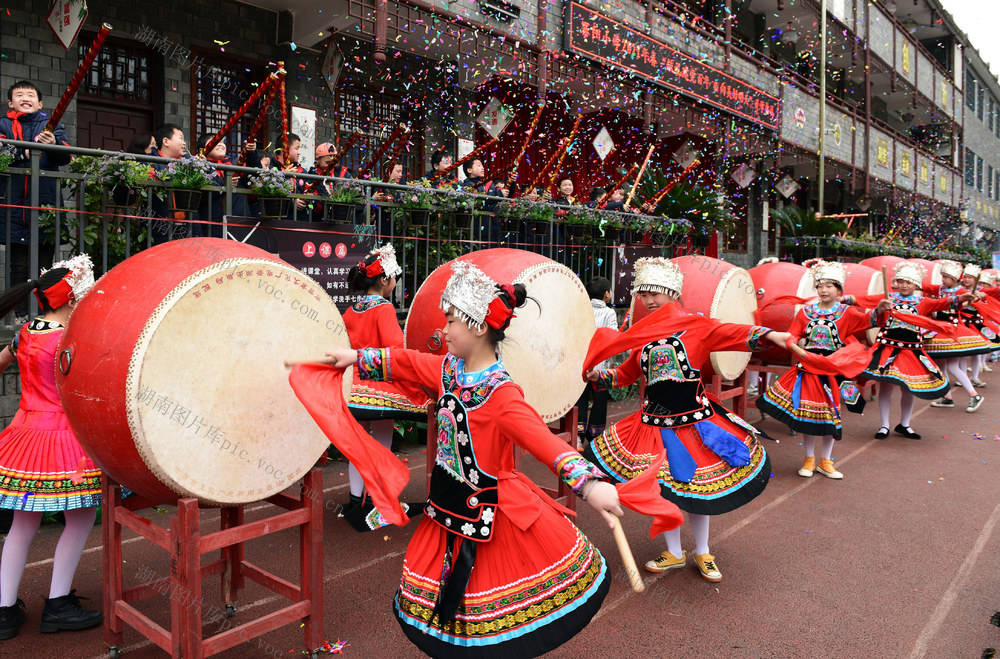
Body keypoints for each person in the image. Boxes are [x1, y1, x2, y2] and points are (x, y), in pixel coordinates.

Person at [317, 260, 680, 657]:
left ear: (476, 325)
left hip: (490, 514)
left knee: (492, 621)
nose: (444, 330)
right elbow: (406, 362)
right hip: (447, 511)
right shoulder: (448, 370)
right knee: (456, 619)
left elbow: (542, 440)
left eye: (451, 320)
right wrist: (354, 359)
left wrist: (590, 485)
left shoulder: (501, 393)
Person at [583, 257, 792, 582]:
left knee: (697, 493)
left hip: (694, 424)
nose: (649, 301)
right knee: (666, 491)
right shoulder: (642, 337)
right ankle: (675, 552)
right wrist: (600, 375)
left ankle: (703, 550)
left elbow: (731, 332)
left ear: (673, 292)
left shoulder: (696, 326)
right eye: (644, 294)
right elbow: (624, 375)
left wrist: (769, 334)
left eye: (656, 294)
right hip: (652, 427)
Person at [0, 255, 102, 640]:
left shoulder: (25, 331)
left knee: (22, 524)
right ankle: (58, 604)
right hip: (65, 438)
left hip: (23, 434)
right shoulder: (72, 339)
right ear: (72, 297)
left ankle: (5, 611)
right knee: (80, 517)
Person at [756, 261, 890, 477]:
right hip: (809, 367)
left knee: (830, 417)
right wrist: (793, 344)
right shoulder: (806, 312)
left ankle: (826, 461)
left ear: (839, 290)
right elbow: (793, 334)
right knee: (809, 416)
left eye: (829, 286)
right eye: (820, 286)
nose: (824, 290)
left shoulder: (847, 312)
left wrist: (881, 309)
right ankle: (809, 460)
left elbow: (870, 320)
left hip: (833, 369)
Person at [340, 245, 429, 532]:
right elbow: (394, 352)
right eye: (394, 279)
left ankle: (356, 502)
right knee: (381, 442)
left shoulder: (351, 310)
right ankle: (381, 502)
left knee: (357, 447)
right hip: (380, 384)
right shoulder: (385, 308)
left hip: (353, 385)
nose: (395, 284)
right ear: (383, 281)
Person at [862, 261, 979, 435]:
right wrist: (878, 308)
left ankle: (905, 424)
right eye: (900, 281)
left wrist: (961, 298)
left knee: (908, 389)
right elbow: (865, 301)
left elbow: (943, 303)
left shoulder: (922, 301)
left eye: (908, 282)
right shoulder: (889, 299)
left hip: (911, 352)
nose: (903, 285)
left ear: (916, 285)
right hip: (887, 348)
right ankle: (884, 425)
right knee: (885, 388)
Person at [0, 81, 70, 320]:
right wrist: (25, 152)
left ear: (40, 103)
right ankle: (19, 317)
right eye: (19, 95)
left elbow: (66, 157)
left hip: (46, 206)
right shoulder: (3, 124)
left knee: (44, 267)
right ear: (10, 103)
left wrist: (53, 145)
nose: (25, 98)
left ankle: (42, 316)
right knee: (17, 266)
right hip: (14, 207)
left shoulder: (52, 126)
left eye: (30, 95)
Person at [923, 260, 989, 412]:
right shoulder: (940, 289)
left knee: (952, 366)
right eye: (943, 276)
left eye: (946, 277)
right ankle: (947, 397)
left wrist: (977, 296)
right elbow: (924, 286)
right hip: (939, 330)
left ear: (954, 279)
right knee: (941, 366)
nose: (943, 279)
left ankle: (974, 394)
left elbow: (976, 297)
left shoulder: (960, 291)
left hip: (952, 332)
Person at [575, 277, 618, 449]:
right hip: (600, 365)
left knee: (581, 400)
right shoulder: (609, 313)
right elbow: (612, 337)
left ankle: (577, 437)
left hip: (581, 364)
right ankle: (595, 437)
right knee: (600, 401)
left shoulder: (582, 310)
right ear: (606, 294)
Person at [194, 134, 259, 236]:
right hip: (212, 224)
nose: (220, 144)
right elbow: (199, 195)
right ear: (202, 150)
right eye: (215, 142)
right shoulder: (196, 168)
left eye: (222, 142)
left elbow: (254, 175)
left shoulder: (235, 163)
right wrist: (224, 184)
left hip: (239, 222)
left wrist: (251, 153)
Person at [149, 122, 191, 244]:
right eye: (181, 138)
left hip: (187, 226)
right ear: (166, 141)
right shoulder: (149, 161)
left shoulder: (188, 163)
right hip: (160, 225)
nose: (184, 143)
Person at [957, 264, 998, 388]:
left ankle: (975, 377)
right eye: (965, 277)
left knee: (975, 352)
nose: (966, 280)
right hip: (962, 324)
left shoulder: (981, 290)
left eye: (970, 277)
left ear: (975, 279)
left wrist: (983, 297)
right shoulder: (959, 290)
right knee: (963, 353)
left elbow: (993, 292)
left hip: (976, 325)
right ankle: (963, 377)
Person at [271, 133, 308, 219]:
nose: (299, 153)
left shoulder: (302, 171)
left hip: (300, 220)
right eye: (296, 148)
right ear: (285, 148)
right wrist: (291, 202)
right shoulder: (271, 167)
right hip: (277, 220)